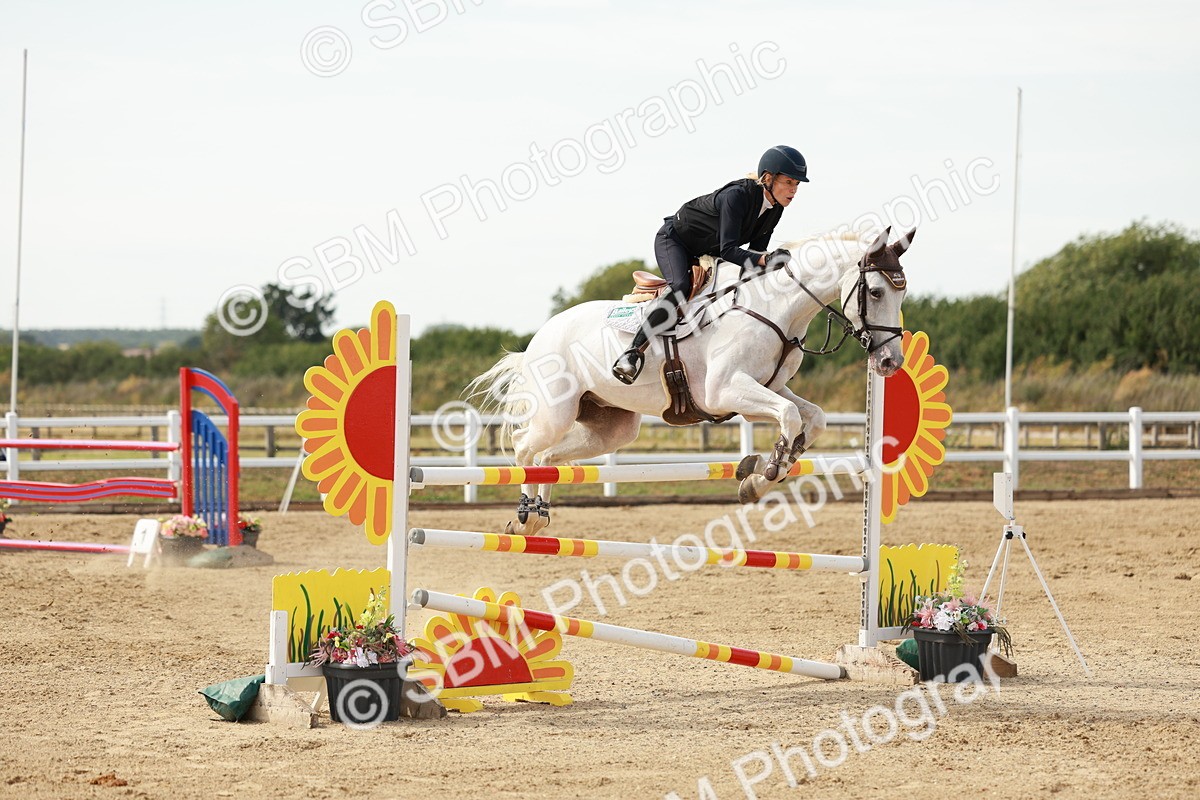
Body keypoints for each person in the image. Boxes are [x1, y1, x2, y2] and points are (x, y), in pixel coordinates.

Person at [611, 145, 809, 385]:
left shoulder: (775, 209)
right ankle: (632, 353)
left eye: (797, 185)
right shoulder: (737, 196)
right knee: (682, 286)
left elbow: (755, 254)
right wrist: (766, 260)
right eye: (789, 182)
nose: (793, 190)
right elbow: (730, 250)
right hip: (674, 241)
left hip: (707, 251)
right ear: (768, 178)